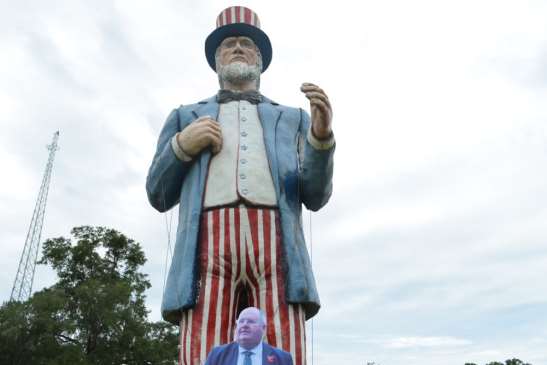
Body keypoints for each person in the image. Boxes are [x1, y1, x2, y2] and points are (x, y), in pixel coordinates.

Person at [146, 6, 334, 365]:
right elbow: (157, 192)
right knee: (205, 337)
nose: (237, 48)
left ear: (259, 59)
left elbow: (315, 194)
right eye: (227, 44)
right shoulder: (186, 116)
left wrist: (321, 140)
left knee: (283, 340)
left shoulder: (293, 118)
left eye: (246, 43)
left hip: (276, 244)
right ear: (216, 59)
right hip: (208, 243)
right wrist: (182, 146)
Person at [204, 307, 293, 365]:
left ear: (263, 328)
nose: (244, 325)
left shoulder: (283, 359)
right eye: (241, 321)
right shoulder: (217, 355)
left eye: (250, 321)